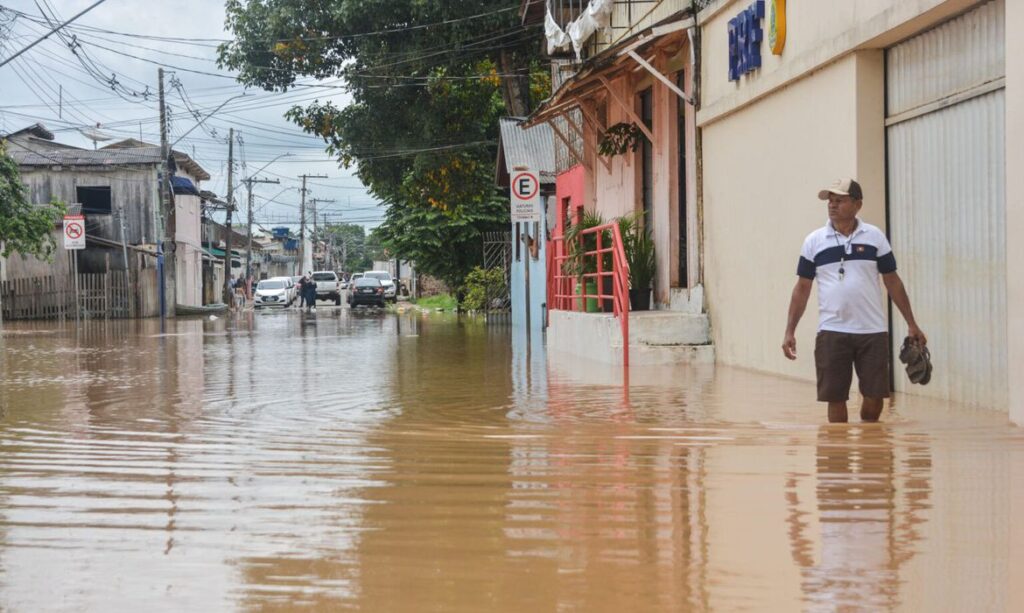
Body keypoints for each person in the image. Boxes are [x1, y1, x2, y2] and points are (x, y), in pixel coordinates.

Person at [782, 178, 926, 423]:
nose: (832, 205)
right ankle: (840, 454)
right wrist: (790, 331)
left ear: (858, 204)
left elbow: (892, 281)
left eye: (840, 200)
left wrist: (912, 323)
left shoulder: (874, 237)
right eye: (830, 201)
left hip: (872, 332)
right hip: (831, 332)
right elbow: (802, 289)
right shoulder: (814, 241)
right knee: (835, 398)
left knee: (875, 399)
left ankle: (869, 444)